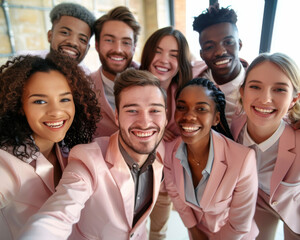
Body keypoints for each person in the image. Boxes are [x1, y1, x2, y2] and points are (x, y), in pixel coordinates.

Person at [19, 69, 168, 240]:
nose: (145, 122)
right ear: (117, 117)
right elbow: (58, 215)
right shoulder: (87, 159)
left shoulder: (161, 149)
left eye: (155, 110)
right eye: (132, 111)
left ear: (165, 117)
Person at [0, 53, 100, 240]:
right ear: (19, 107)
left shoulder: (70, 150)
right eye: (40, 101)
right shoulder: (6, 162)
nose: (55, 112)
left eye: (64, 99)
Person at [164, 78, 258, 239]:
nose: (189, 116)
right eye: (181, 107)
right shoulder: (169, 151)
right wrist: (194, 230)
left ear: (216, 118)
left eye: (201, 109)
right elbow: (175, 193)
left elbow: (239, 224)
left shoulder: (242, 160)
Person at [231, 52, 300, 240]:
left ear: (294, 99)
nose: (265, 99)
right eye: (255, 87)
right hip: (259, 202)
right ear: (243, 91)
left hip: (295, 209)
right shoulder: (235, 126)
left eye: (279, 89)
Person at [139, 26, 192, 239]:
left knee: (158, 232)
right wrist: (157, 134)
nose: (164, 60)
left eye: (173, 55)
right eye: (158, 51)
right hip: (135, 178)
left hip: (165, 182)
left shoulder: (183, 91)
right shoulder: (132, 85)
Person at [192, 3, 247, 126]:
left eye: (228, 42)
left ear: (239, 45)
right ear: (202, 54)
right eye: (209, 47)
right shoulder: (193, 77)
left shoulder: (256, 86)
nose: (220, 52)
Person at [91, 6, 141, 137]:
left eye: (126, 42)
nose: (118, 49)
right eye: (109, 40)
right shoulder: (82, 88)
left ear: (134, 48)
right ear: (97, 45)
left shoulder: (153, 81)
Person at [19, 3, 95, 65]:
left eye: (82, 39)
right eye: (65, 33)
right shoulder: (28, 69)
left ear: (87, 49)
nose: (73, 42)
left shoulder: (86, 79)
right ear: (50, 36)